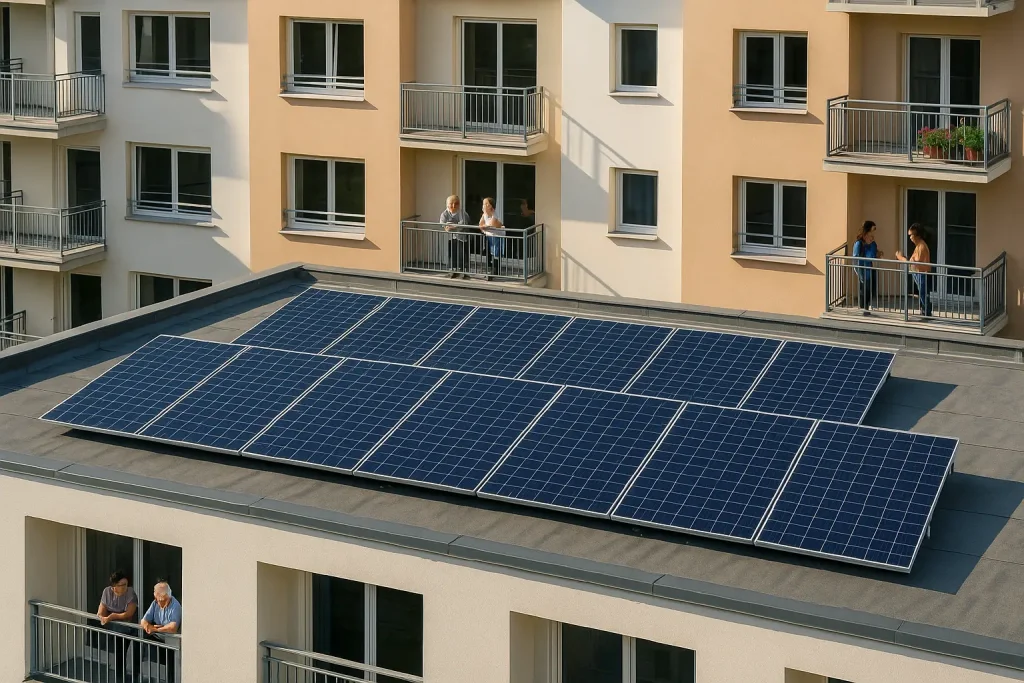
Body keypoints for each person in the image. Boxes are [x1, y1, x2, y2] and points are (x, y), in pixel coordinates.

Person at [95, 570, 139, 681]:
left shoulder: (130, 592)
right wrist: (104, 617)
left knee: (135, 652)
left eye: (126, 584)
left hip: (131, 627)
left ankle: (135, 677)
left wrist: (112, 616)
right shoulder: (107, 592)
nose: (125, 587)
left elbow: (129, 614)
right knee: (119, 653)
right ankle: (120, 678)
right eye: (122, 585)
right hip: (115, 628)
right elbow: (101, 612)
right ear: (114, 587)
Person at [140, 581, 181, 682]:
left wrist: (155, 629)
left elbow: (173, 628)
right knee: (141, 643)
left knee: (171, 668)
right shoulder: (155, 603)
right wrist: (148, 626)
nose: (158, 601)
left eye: (160, 599)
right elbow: (143, 621)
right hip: (159, 639)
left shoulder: (175, 606)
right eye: (156, 598)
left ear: (166, 596)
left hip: (172, 643)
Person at [896, 223, 933, 317]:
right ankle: (924, 312)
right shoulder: (919, 246)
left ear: (917, 235)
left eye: (911, 235)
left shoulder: (921, 246)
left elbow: (915, 263)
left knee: (924, 295)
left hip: (922, 274)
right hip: (919, 273)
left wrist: (901, 258)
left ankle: (926, 313)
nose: (910, 238)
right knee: (922, 294)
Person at [439, 195, 473, 280]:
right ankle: (452, 271)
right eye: (451, 203)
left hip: (462, 237)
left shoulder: (462, 213)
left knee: (462, 254)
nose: (453, 206)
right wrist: (452, 226)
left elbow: (463, 223)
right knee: (452, 253)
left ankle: (463, 271)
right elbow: (443, 223)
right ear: (447, 204)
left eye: (456, 203)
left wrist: (453, 226)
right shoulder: (445, 213)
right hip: (451, 237)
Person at [852, 221, 882, 314]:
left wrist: (876, 249)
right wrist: (859, 274)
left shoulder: (872, 243)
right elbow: (855, 260)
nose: (873, 234)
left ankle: (866, 308)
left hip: (870, 270)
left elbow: (872, 256)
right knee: (864, 292)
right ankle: (863, 310)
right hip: (863, 271)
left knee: (870, 291)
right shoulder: (859, 243)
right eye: (872, 231)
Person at [479, 197, 505, 275]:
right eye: (483, 204)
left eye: (486, 204)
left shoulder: (494, 214)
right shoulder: (484, 215)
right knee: (488, 251)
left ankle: (496, 270)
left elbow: (492, 224)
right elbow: (480, 224)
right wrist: (483, 227)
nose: (484, 206)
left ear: (490, 206)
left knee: (495, 252)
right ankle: (490, 267)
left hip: (496, 235)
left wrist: (485, 226)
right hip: (489, 235)